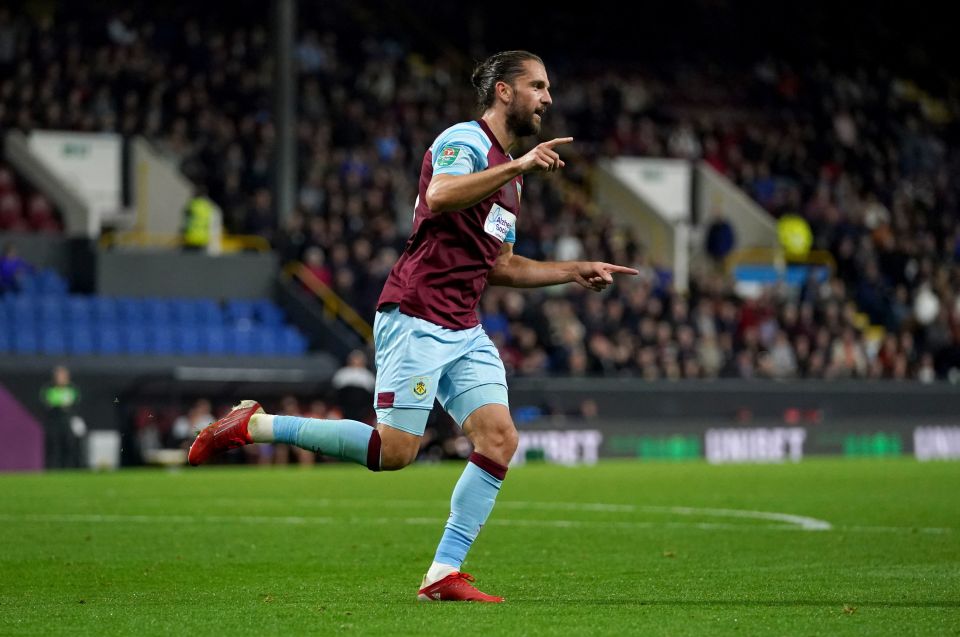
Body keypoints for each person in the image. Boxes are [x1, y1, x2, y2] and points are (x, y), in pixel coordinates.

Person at [187, 50, 637, 603]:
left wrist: (574, 270)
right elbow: (441, 195)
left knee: (498, 438)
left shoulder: (511, 184)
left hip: (463, 324)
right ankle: (253, 426)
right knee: (395, 452)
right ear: (503, 91)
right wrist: (519, 165)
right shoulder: (465, 141)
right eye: (538, 86)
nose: (548, 98)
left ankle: (442, 574)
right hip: (418, 313)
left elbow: (501, 265)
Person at [39, 365, 84, 469]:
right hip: (53, 422)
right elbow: (45, 404)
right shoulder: (49, 389)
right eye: (58, 376)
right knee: (53, 447)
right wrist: (58, 407)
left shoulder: (72, 389)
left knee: (69, 446)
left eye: (63, 376)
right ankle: (52, 469)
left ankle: (69, 469)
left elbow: (76, 405)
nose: (61, 378)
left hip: (68, 422)